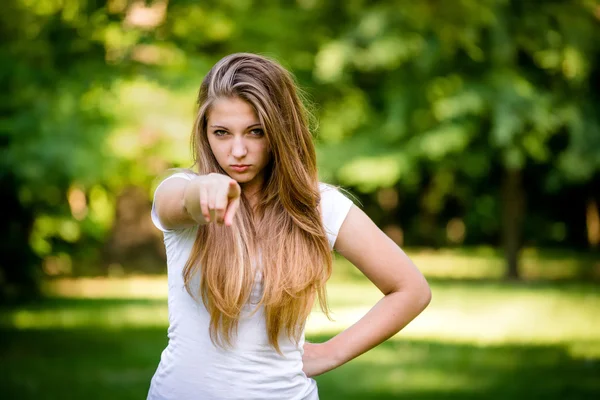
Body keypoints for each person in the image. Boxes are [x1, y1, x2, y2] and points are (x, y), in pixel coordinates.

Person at [148, 53, 431, 400]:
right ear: (205, 133)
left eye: (255, 132)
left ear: (280, 132)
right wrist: (202, 191)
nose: (238, 150)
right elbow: (179, 201)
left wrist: (331, 352)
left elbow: (411, 290)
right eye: (221, 133)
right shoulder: (180, 190)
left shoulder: (318, 206)